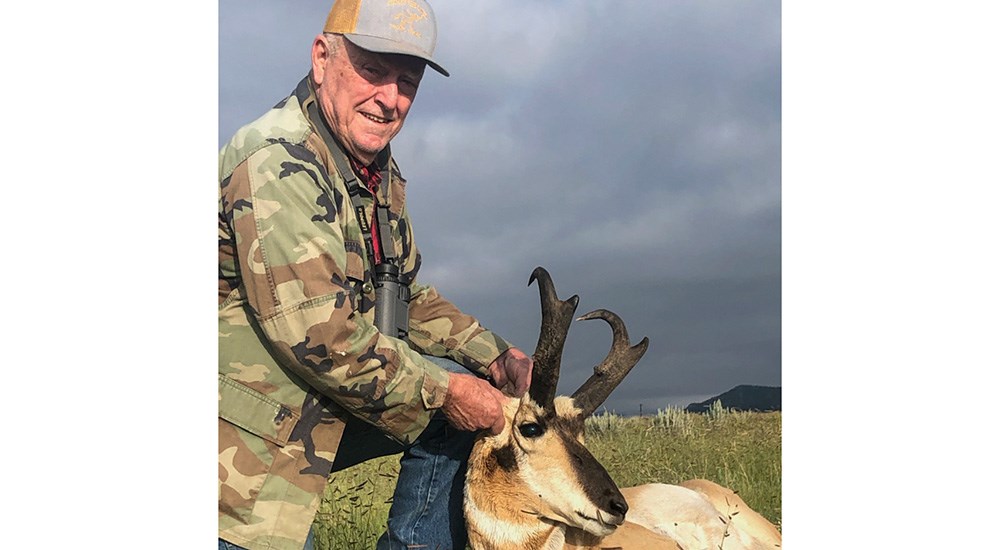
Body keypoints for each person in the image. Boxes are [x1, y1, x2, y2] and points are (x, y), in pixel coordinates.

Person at [217, 1, 533, 549]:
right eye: (372, 70)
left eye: (406, 81)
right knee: (452, 406)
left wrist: (494, 356)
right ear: (322, 57)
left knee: (467, 421)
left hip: (305, 407)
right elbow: (320, 336)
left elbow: (401, 292)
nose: (389, 99)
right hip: (240, 444)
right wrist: (445, 389)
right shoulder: (276, 160)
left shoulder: (374, 170)